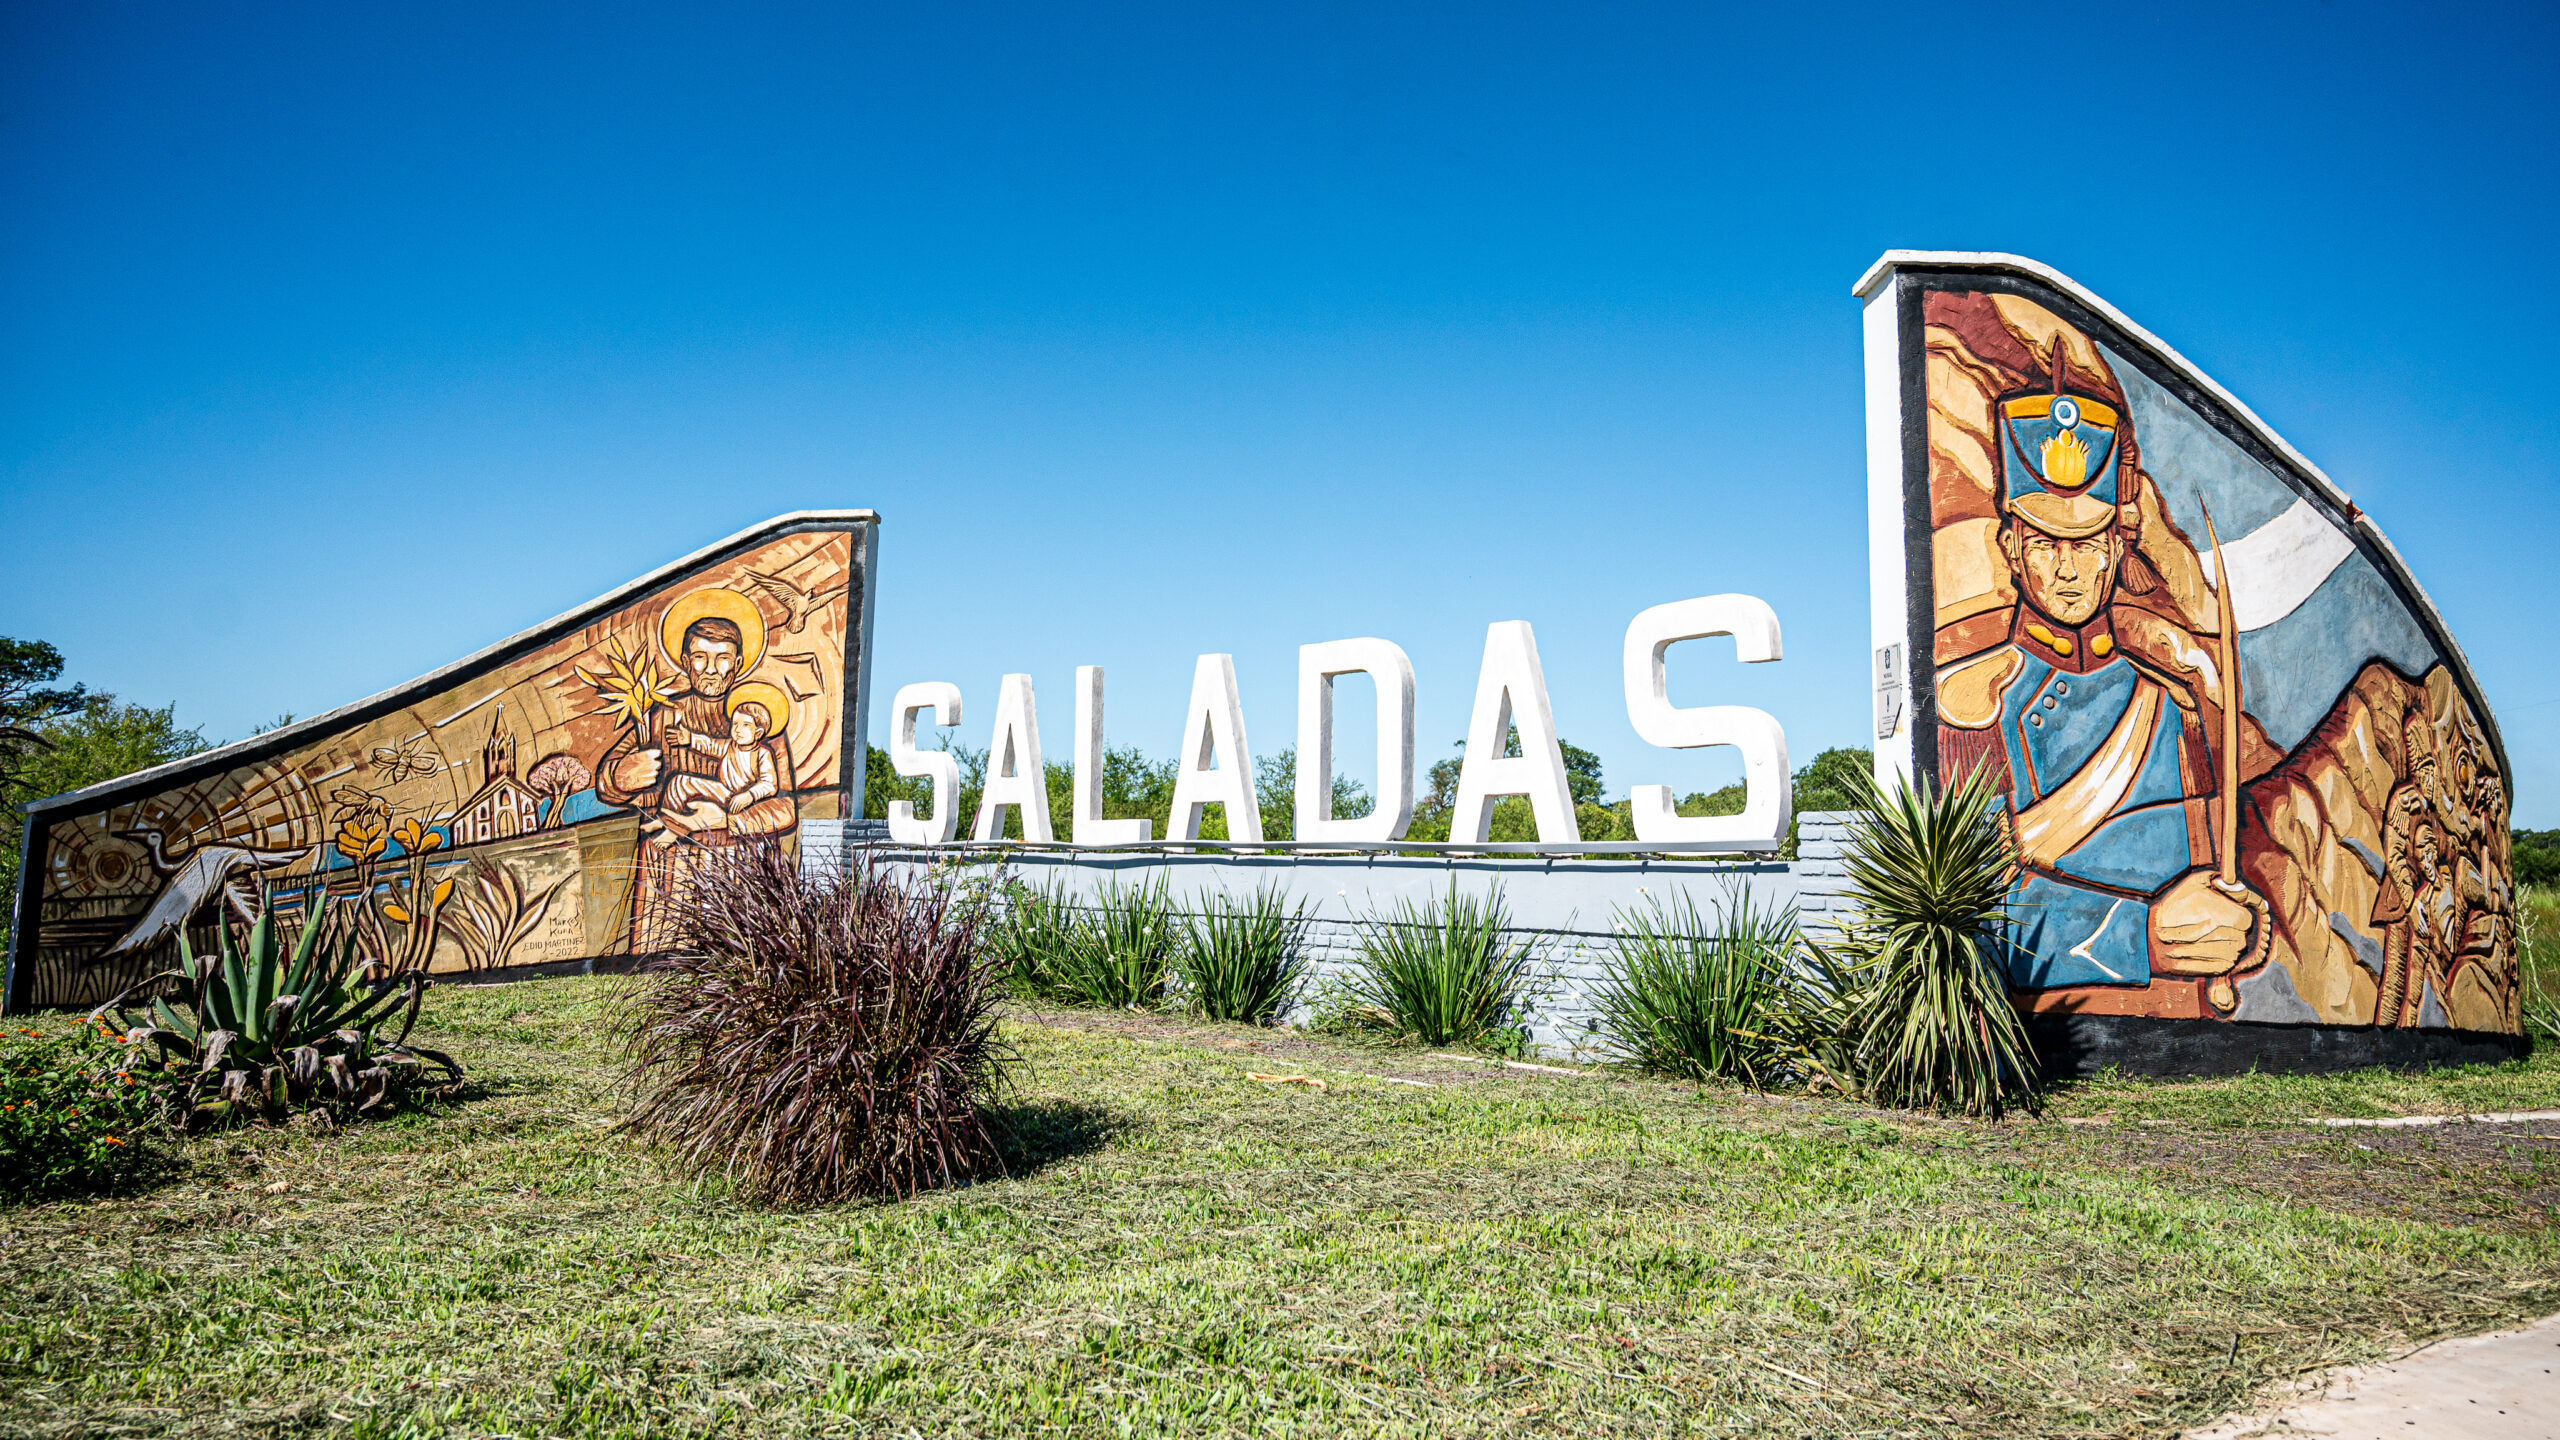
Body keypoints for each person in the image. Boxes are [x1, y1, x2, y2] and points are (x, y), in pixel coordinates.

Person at [1931, 343, 2260, 999]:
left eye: (2086, 543)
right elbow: (1969, 911)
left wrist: (2238, 928)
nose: (2068, 569)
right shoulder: (1974, 707)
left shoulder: (2172, 704)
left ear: (2117, 545)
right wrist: (2143, 937)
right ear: (2010, 550)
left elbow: (2219, 858)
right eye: (2045, 543)